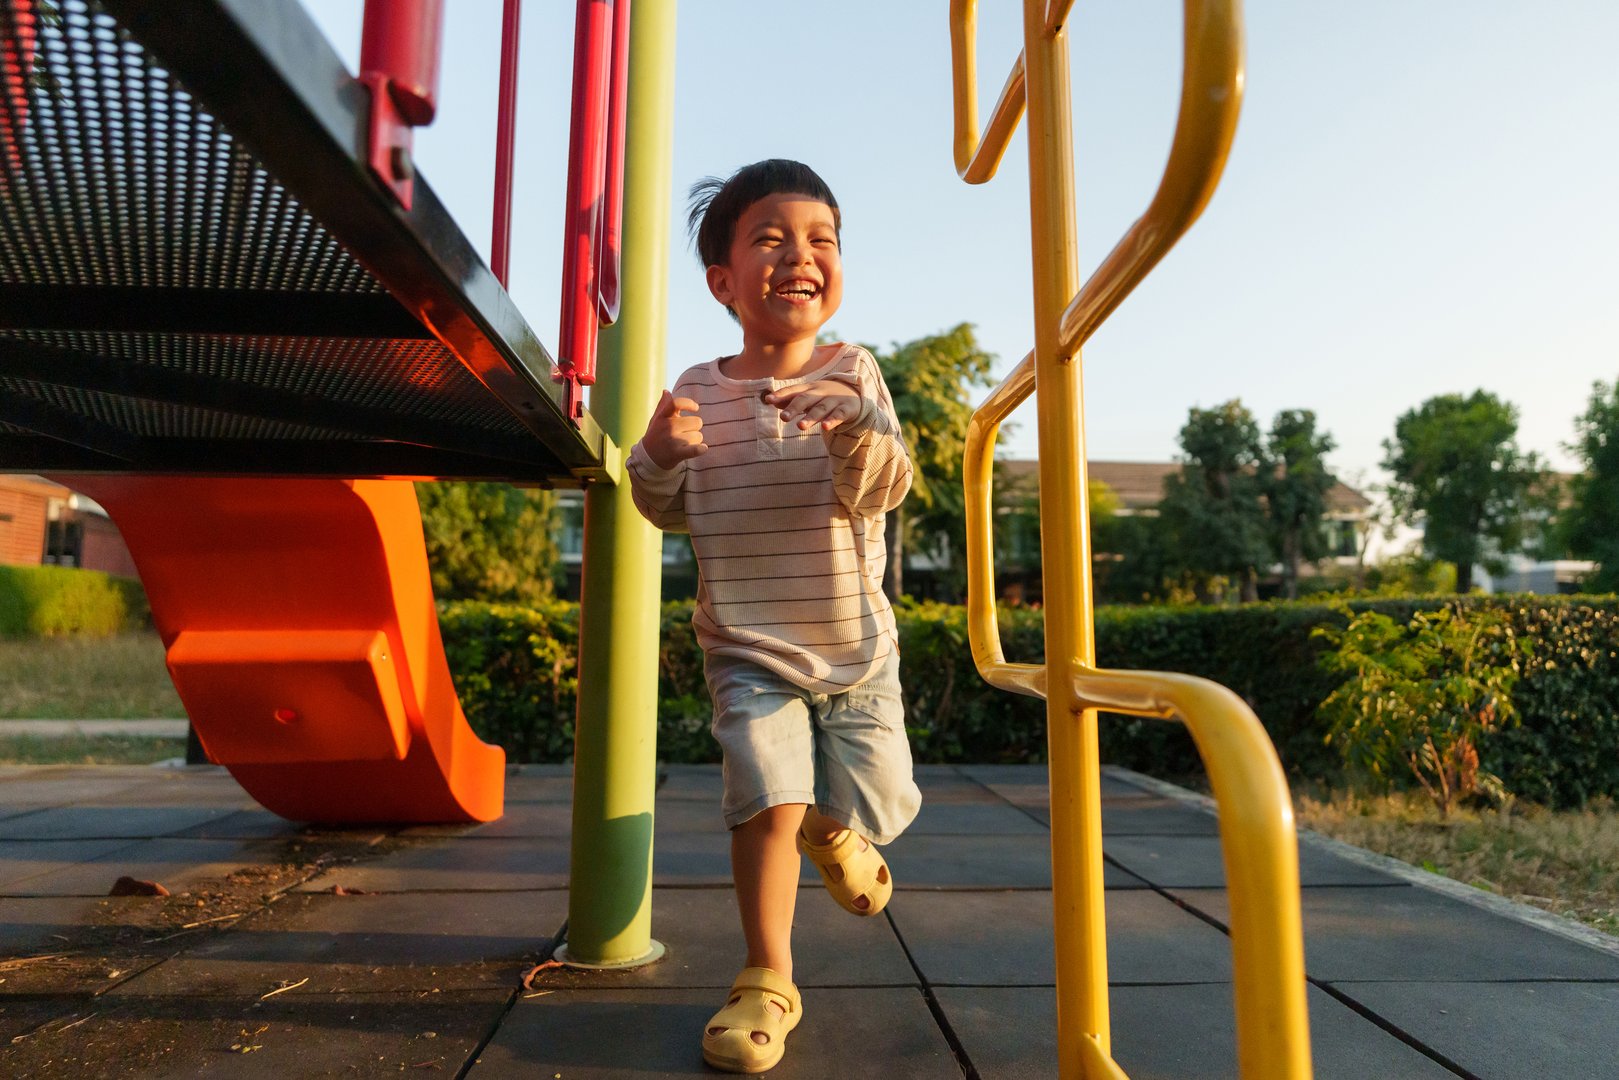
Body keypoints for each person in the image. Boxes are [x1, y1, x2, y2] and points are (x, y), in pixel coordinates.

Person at [626, 159, 922, 1074]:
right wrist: (657, 451)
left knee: (874, 803)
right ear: (723, 281)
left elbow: (888, 487)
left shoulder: (855, 371)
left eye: (820, 239)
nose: (800, 254)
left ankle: (840, 830)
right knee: (765, 800)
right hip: (747, 641)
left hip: (854, 646)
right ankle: (767, 974)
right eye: (770, 237)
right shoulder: (695, 386)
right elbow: (661, 506)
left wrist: (854, 427)